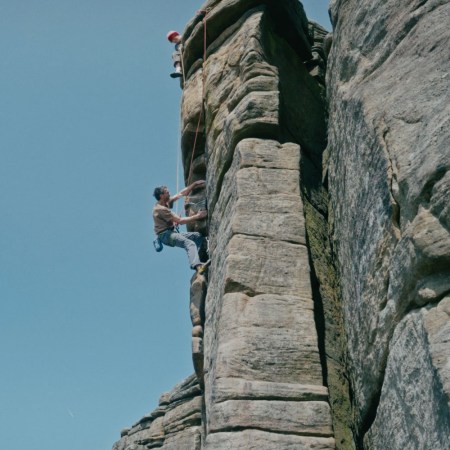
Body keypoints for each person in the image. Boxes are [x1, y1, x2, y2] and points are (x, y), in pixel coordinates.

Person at [153, 180, 210, 273]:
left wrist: (194, 184)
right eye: (167, 192)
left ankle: (199, 258)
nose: (169, 193)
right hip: (166, 235)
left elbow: (181, 193)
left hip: (169, 232)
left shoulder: (165, 202)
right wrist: (198, 216)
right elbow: (181, 221)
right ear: (161, 196)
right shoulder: (160, 209)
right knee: (189, 243)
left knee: (198, 236)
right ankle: (198, 266)